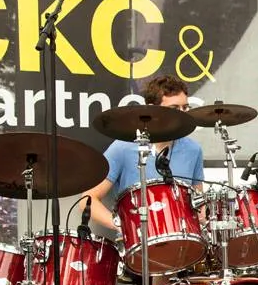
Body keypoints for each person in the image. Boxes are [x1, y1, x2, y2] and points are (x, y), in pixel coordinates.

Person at [83, 74, 204, 236]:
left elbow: (198, 203)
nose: (182, 114)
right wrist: (122, 225)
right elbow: (87, 199)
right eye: (175, 109)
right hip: (136, 242)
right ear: (152, 109)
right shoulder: (123, 147)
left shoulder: (193, 149)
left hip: (182, 242)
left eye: (185, 108)